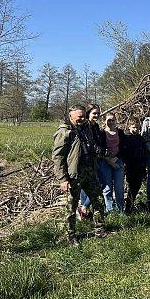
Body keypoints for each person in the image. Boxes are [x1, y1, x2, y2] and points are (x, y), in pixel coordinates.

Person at [53, 105, 106, 246]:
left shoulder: (86, 128)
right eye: (79, 116)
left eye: (83, 116)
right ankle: (70, 236)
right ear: (71, 116)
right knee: (71, 207)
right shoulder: (64, 131)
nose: (82, 118)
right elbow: (58, 157)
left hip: (90, 171)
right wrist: (63, 179)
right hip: (73, 175)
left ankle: (100, 230)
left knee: (99, 201)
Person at [78, 103, 105, 219]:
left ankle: (83, 209)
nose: (97, 115)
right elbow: (89, 144)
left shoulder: (96, 126)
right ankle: (85, 209)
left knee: (96, 184)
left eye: (98, 113)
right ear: (88, 113)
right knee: (89, 186)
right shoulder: (86, 126)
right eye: (94, 113)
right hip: (87, 160)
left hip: (96, 159)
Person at [99, 113, 126, 213]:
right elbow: (100, 148)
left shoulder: (121, 133)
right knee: (107, 188)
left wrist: (116, 159)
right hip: (105, 162)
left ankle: (120, 210)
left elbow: (123, 148)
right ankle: (109, 210)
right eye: (108, 120)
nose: (111, 122)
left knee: (119, 187)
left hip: (118, 161)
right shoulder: (101, 133)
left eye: (112, 120)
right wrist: (109, 161)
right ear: (105, 121)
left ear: (116, 120)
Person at [123, 118, 147, 214]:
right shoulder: (125, 137)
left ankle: (129, 207)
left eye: (137, 127)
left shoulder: (140, 138)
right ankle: (126, 209)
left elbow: (143, 153)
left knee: (135, 188)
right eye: (133, 127)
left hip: (140, 167)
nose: (135, 129)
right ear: (129, 127)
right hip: (129, 167)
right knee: (129, 187)